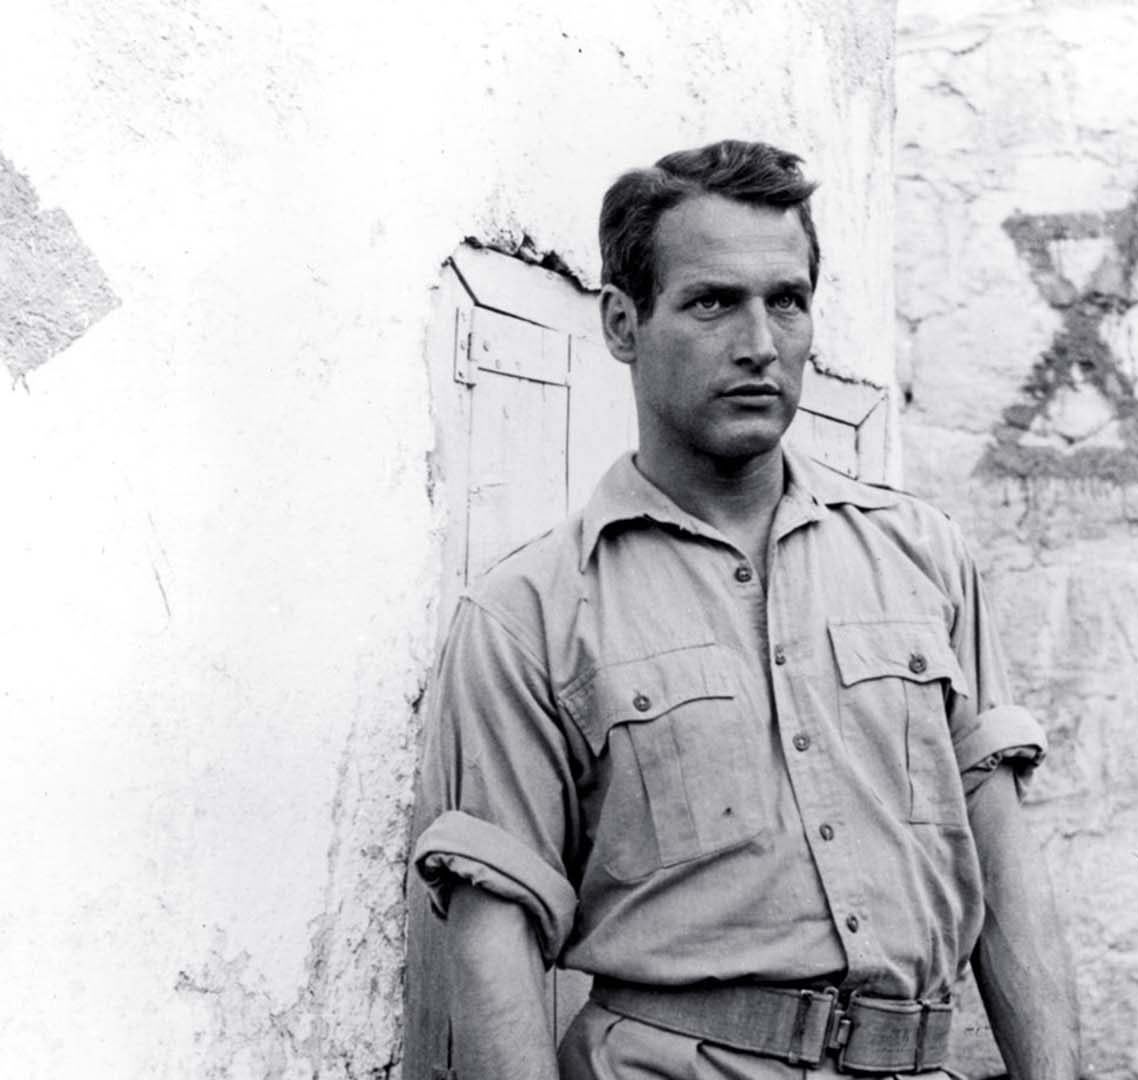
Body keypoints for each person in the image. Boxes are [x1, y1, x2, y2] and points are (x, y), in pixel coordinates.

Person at [409, 139, 1079, 1079]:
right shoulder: (530, 614)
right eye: (713, 302)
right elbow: (495, 949)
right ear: (622, 323)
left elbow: (1004, 871)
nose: (760, 342)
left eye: (787, 301)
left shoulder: (922, 556)